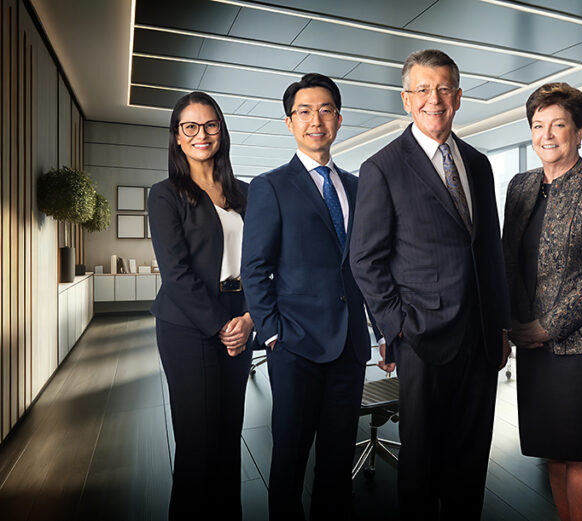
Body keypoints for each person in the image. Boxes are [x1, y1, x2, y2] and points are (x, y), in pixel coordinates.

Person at [349, 49, 510, 521]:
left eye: (443, 89)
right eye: (422, 90)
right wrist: (398, 328)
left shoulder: (477, 163)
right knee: (422, 465)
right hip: (422, 338)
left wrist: (499, 327)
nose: (433, 99)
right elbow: (365, 259)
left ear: (458, 97)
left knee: (471, 458)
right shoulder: (382, 167)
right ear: (405, 99)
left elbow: (490, 250)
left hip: (480, 339)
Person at [240, 73, 374, 520]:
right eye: (304, 111)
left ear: (339, 118)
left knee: (337, 465)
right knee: (290, 463)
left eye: (325, 110)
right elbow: (255, 268)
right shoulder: (271, 185)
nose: (315, 119)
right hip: (294, 346)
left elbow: (366, 265)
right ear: (289, 122)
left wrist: (381, 330)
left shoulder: (358, 187)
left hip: (350, 347)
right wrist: (272, 332)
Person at [503, 82, 582, 521]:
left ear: (580, 130)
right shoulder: (519, 186)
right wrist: (515, 325)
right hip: (532, 348)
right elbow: (507, 261)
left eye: (558, 125)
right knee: (551, 448)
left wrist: (547, 326)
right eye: (538, 126)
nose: (547, 135)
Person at [149, 91, 253, 520]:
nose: (201, 134)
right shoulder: (165, 195)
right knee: (197, 445)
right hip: (187, 327)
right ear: (177, 137)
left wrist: (248, 320)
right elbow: (176, 272)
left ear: (221, 131)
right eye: (189, 126)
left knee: (229, 438)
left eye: (210, 124)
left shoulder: (246, 192)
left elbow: (264, 264)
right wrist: (221, 324)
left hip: (240, 318)